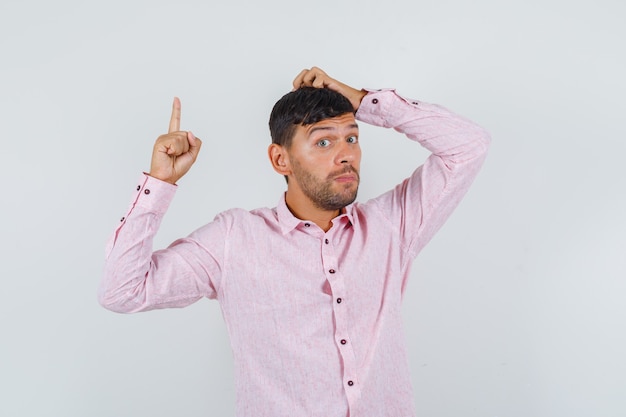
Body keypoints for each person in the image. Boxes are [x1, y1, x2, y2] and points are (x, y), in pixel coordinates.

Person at [99, 67, 491, 417]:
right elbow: (123, 291)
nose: (345, 156)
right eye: (323, 142)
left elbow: (469, 145)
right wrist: (159, 183)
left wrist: (361, 102)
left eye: (352, 139)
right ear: (280, 160)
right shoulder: (234, 240)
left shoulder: (391, 226)